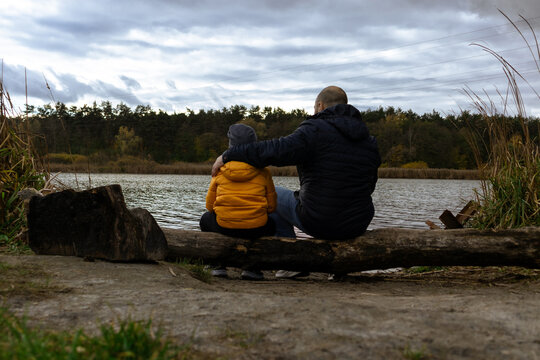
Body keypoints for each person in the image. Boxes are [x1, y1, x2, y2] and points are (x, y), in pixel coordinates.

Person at [212, 86, 381, 278]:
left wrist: (230, 154)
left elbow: (275, 150)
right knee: (315, 202)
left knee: (271, 194)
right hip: (357, 223)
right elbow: (370, 185)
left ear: (320, 105)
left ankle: (291, 262)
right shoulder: (368, 139)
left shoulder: (315, 129)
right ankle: (340, 268)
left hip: (321, 221)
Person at [200, 123, 277, 280]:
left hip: (224, 226)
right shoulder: (264, 171)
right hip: (256, 228)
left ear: (230, 145)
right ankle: (252, 268)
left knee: (205, 220)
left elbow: (209, 206)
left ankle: (217, 266)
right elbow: (271, 207)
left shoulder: (219, 170)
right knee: (272, 224)